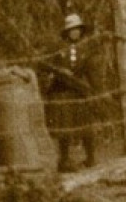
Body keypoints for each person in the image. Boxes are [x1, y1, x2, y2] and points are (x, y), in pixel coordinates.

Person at [42, 11, 112, 173]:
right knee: (64, 127)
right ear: (67, 31)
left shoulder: (85, 49)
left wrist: (98, 90)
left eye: (78, 29)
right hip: (61, 92)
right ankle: (64, 160)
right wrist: (59, 71)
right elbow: (43, 64)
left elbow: (92, 72)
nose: (75, 32)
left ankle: (91, 157)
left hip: (78, 91)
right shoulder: (57, 47)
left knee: (85, 123)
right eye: (72, 29)